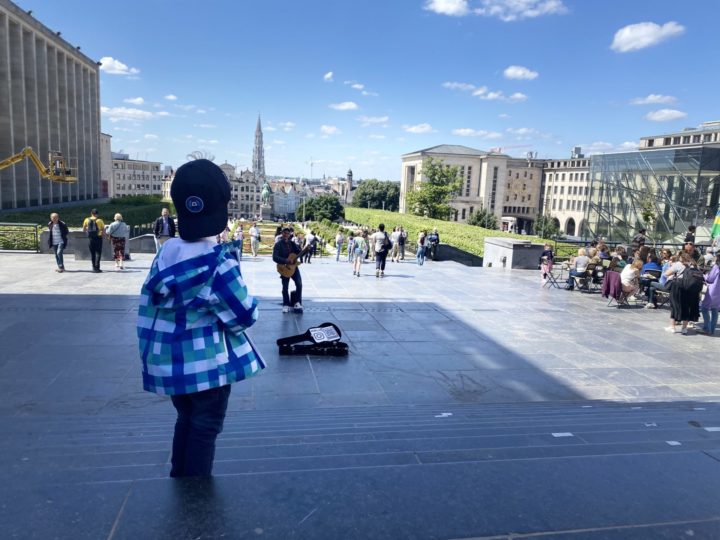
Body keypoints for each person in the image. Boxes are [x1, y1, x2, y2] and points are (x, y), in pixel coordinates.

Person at [137, 158, 263, 477]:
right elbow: (244, 315)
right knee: (206, 428)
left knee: (187, 419)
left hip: (171, 365)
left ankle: (179, 476)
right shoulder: (217, 263)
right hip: (207, 366)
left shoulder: (165, 255)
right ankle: (195, 495)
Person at [665, 252, 702, 335]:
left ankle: (672, 327)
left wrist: (671, 266)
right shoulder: (695, 265)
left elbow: (666, 273)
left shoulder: (678, 264)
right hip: (691, 289)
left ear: (681, 258)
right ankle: (684, 328)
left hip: (679, 287)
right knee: (687, 307)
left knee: (675, 306)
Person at [273, 227, 303, 313]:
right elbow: (274, 257)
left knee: (299, 284)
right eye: (285, 233)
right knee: (285, 287)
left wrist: (304, 250)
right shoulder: (278, 244)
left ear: (290, 235)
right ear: (282, 234)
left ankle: (297, 302)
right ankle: (286, 304)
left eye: (288, 233)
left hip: (294, 267)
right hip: (284, 268)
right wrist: (286, 260)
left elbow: (298, 252)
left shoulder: (292, 244)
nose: (286, 235)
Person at [699, 256, 720, 335]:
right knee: (715, 310)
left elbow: (710, 279)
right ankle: (712, 329)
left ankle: (707, 328)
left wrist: (705, 275)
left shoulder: (716, 267)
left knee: (704, 308)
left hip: (712, 291)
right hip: (719, 293)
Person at [82, 208, 105, 273]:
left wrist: (88, 233)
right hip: (98, 238)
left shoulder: (86, 219)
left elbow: (83, 229)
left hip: (90, 238)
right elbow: (103, 230)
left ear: (91, 213)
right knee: (98, 253)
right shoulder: (100, 220)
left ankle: (93, 267)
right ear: (97, 214)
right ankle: (97, 267)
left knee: (92, 253)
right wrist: (103, 236)